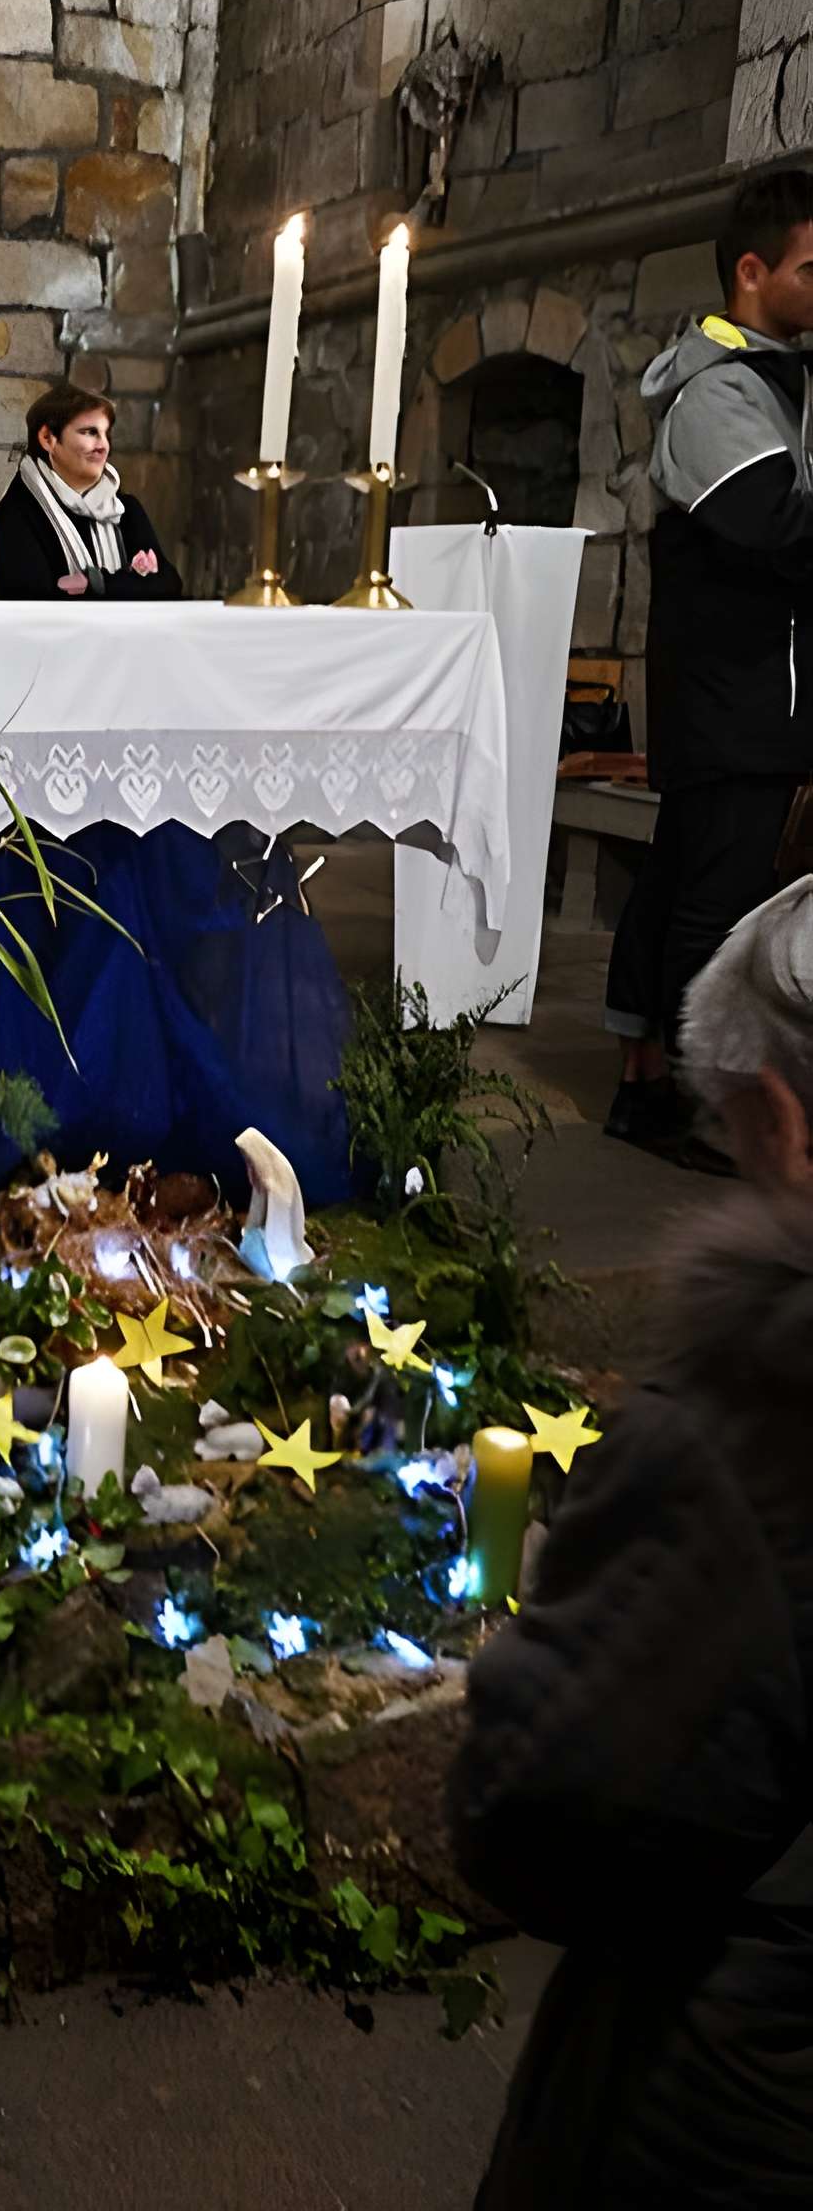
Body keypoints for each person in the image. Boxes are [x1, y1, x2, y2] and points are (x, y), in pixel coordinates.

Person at [453, 875, 813, 2209]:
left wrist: (533, 1646)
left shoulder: (744, 1435)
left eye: (729, 1137)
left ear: (781, 1119)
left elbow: (540, 1813)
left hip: (734, 2113)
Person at [605, 165, 813, 1156]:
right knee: (718, 907)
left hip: (749, 697)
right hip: (736, 698)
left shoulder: (774, 380)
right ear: (750, 271)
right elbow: (777, 524)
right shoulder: (713, 391)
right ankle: (699, 1107)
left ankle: (651, 1085)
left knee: (688, 884)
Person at [0, 383, 183, 599]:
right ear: (47, 438)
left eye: (105, 433)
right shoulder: (19, 514)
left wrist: (97, 583)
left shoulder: (124, 509)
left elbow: (169, 584)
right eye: (90, 432)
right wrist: (133, 584)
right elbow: (38, 605)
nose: (103, 446)